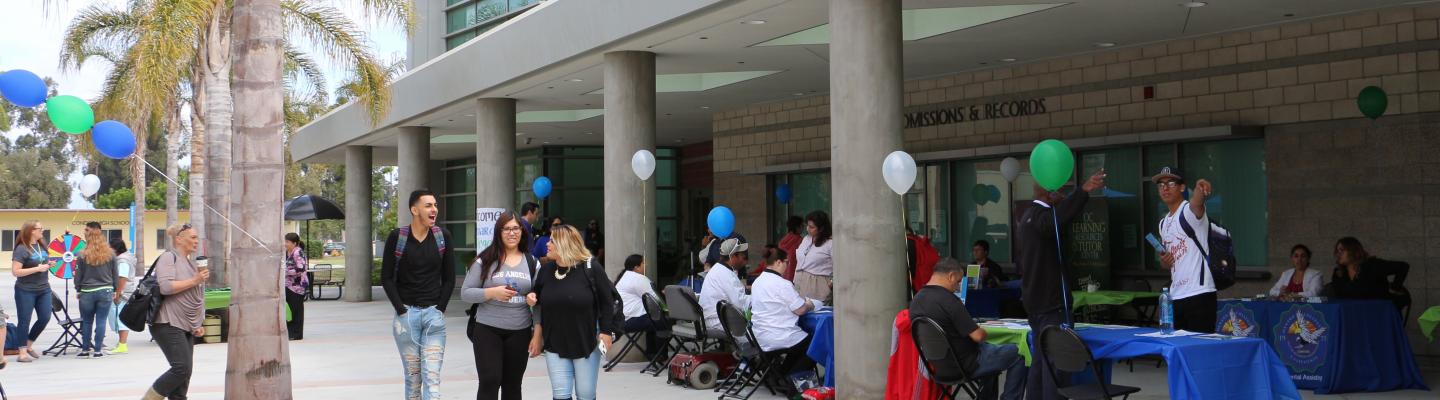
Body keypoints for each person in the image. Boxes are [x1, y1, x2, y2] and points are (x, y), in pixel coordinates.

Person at [1017, 169, 1105, 400]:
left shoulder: (1027, 217)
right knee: (1056, 365)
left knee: (1040, 361)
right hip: (1051, 304)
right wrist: (1082, 191)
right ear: (1050, 192)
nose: (1063, 194)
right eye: (1061, 189)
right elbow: (1058, 219)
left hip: (1035, 303)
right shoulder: (1042, 218)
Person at [911, 258, 1027, 400]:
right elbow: (978, 336)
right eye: (958, 281)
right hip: (966, 364)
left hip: (938, 367)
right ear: (951, 276)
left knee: (993, 354)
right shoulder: (949, 300)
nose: (957, 287)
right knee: (1019, 353)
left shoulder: (916, 300)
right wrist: (982, 330)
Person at [381, 189, 457, 400]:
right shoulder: (398, 237)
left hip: (434, 317)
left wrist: (440, 309)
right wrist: (401, 310)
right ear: (414, 210)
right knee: (413, 380)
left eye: (435, 205)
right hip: (406, 318)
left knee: (432, 380)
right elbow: (386, 278)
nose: (434, 209)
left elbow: (449, 278)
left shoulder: (443, 237)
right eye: (428, 205)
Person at [528, 224, 618, 400]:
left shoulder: (591, 268)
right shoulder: (546, 270)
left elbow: (607, 302)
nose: (547, 244)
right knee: (560, 395)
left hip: (587, 341)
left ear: (565, 244)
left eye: (552, 241)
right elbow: (537, 298)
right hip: (555, 342)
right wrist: (531, 298)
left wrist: (606, 332)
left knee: (585, 394)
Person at [461, 212, 539, 400]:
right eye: (506, 229)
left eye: (516, 228)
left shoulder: (532, 263)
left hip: (520, 331)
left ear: (522, 231)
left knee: (513, 385)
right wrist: (491, 293)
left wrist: (537, 332)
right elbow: (466, 293)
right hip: (488, 329)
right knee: (490, 380)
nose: (512, 233)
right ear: (498, 232)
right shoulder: (485, 260)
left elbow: (539, 302)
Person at [144, 223, 209, 400]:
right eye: (193, 237)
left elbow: (193, 296)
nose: (197, 241)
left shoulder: (189, 262)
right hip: (167, 322)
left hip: (185, 325)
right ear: (179, 239)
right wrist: (195, 280)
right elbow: (165, 287)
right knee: (181, 368)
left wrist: (196, 323)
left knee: (184, 376)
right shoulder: (168, 257)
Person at [1153, 167, 1218, 334]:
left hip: (1199, 293)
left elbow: (1197, 203)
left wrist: (1199, 188)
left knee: (1199, 350)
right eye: (1161, 185)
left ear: (1182, 187)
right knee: (1179, 349)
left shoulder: (1187, 211)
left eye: (1171, 183)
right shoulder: (1163, 223)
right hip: (1175, 296)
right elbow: (1169, 263)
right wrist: (1164, 262)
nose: (1165, 188)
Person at [750, 249, 823, 396]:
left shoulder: (758, 281)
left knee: (800, 345)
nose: (787, 266)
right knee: (816, 343)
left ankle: (783, 375)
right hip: (780, 336)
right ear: (778, 262)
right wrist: (810, 304)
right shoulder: (782, 284)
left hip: (761, 337)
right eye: (786, 262)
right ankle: (794, 383)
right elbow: (801, 309)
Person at [10, 220, 53, 363]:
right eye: (40, 228)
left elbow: (41, 262)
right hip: (25, 290)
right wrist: (37, 268)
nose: (43, 230)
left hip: (44, 288)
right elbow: (15, 272)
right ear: (31, 231)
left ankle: (29, 344)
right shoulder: (22, 249)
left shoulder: (41, 246)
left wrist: (48, 265)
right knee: (24, 320)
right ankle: (22, 352)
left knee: (45, 317)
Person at [73, 226, 118, 358]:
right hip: (106, 290)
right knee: (101, 320)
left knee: (86, 321)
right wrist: (114, 289)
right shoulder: (110, 254)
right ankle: (98, 350)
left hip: (87, 291)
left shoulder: (82, 254)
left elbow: (78, 275)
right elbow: (115, 274)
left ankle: (85, 349)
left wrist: (78, 289)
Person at [1329, 237, 1409, 302]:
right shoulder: (1338, 273)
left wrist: (1395, 288)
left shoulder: (1372, 265)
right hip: (1352, 313)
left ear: (1353, 251)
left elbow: (1402, 266)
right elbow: (1339, 295)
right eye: (1337, 251)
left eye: (1342, 250)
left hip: (1378, 312)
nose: (1338, 254)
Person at [614, 254, 662, 358]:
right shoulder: (638, 278)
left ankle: (652, 354)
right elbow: (655, 299)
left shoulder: (624, 277)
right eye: (643, 263)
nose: (645, 265)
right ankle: (660, 355)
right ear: (636, 267)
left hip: (622, 320)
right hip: (629, 320)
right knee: (662, 321)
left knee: (653, 320)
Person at [700, 237, 752, 334]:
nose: (743, 258)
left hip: (712, 319)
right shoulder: (726, 274)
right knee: (759, 328)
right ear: (733, 256)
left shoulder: (718, 269)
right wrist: (759, 296)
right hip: (718, 322)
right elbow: (741, 304)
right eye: (742, 255)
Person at [794, 211, 834, 301]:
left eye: (812, 227)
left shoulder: (830, 243)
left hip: (818, 285)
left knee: (815, 311)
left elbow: (840, 266)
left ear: (821, 228)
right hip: (799, 282)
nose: (808, 229)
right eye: (807, 226)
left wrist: (832, 282)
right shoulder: (806, 239)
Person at [110, 238, 138, 354]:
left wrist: (118, 293)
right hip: (125, 291)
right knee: (119, 318)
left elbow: (122, 277)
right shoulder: (127, 257)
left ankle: (122, 345)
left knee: (120, 318)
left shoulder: (122, 261)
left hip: (123, 293)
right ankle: (121, 343)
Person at [284, 233, 309, 341]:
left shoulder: (298, 252)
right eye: (285, 241)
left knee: (296, 310)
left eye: (287, 242)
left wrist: (286, 272)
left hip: (297, 287)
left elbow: (301, 268)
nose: (285, 244)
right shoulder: (287, 252)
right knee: (288, 310)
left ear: (294, 243)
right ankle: (290, 332)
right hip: (288, 285)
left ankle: (297, 334)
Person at [778, 216, 805, 280]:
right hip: (795, 273)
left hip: (783, 272)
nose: (804, 228)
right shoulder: (800, 240)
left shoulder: (784, 239)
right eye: (802, 226)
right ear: (797, 227)